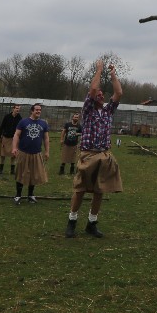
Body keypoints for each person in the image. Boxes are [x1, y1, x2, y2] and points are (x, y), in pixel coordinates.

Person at [65, 60, 122, 239]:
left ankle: (92, 223)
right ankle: (72, 221)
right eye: (98, 94)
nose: (101, 95)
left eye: (102, 94)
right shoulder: (88, 110)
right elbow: (92, 89)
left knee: (99, 191)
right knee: (80, 190)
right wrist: (99, 69)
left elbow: (119, 93)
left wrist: (113, 75)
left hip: (104, 155)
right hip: (88, 154)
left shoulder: (108, 111)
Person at [11, 103, 49, 203]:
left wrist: (47, 151)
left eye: (40, 110)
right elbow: (16, 135)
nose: (38, 111)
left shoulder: (43, 123)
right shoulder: (23, 122)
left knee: (34, 174)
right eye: (36, 110)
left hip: (36, 153)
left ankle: (30, 195)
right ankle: (18, 195)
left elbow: (46, 138)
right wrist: (14, 148)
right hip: (23, 152)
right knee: (21, 174)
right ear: (32, 111)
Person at [0, 104, 22, 177]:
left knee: (14, 155)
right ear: (13, 109)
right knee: (3, 154)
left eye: (19, 108)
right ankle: (0, 169)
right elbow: (2, 126)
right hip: (5, 137)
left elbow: (21, 129)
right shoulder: (7, 116)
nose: (17, 110)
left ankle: (12, 170)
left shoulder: (20, 118)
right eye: (16, 108)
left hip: (14, 139)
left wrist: (20, 138)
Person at [59, 111, 81, 176]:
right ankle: (61, 170)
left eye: (77, 117)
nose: (76, 118)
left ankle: (72, 171)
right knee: (64, 157)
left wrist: (78, 134)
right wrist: (61, 139)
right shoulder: (68, 124)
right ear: (72, 118)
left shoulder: (79, 126)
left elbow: (82, 133)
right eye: (75, 117)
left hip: (74, 144)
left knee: (73, 158)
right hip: (66, 143)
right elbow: (63, 132)